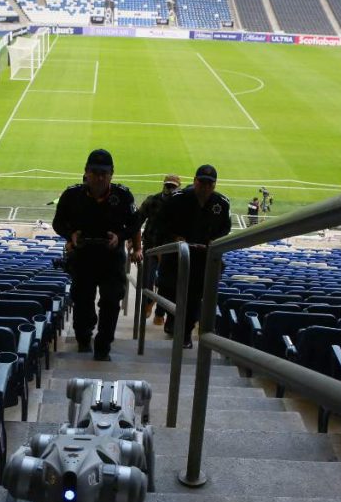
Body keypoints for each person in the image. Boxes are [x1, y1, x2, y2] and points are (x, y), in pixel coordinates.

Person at [52, 148, 139, 361]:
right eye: (95, 172)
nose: (100, 178)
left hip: (111, 259)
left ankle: (103, 347)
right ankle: (83, 339)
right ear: (86, 172)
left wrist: (120, 237)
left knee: (111, 301)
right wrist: (71, 235)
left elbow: (134, 224)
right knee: (82, 301)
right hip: (83, 257)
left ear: (112, 174)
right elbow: (58, 223)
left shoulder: (123, 196)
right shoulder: (71, 195)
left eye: (104, 173)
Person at [155, 164, 232, 348]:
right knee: (170, 290)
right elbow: (160, 223)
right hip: (177, 256)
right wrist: (175, 237)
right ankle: (172, 319)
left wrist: (215, 240)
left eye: (209, 184)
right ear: (195, 181)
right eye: (202, 182)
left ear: (214, 184)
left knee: (194, 297)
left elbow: (225, 228)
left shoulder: (222, 203)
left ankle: (186, 334)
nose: (205, 187)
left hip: (202, 259)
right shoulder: (177, 199)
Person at [135, 174, 181, 324]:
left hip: (170, 249)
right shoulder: (152, 200)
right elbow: (138, 219)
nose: (170, 189)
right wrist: (133, 241)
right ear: (163, 185)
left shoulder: (181, 205)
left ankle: (160, 313)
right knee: (147, 278)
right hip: (151, 245)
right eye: (168, 185)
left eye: (173, 186)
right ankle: (148, 303)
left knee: (166, 282)